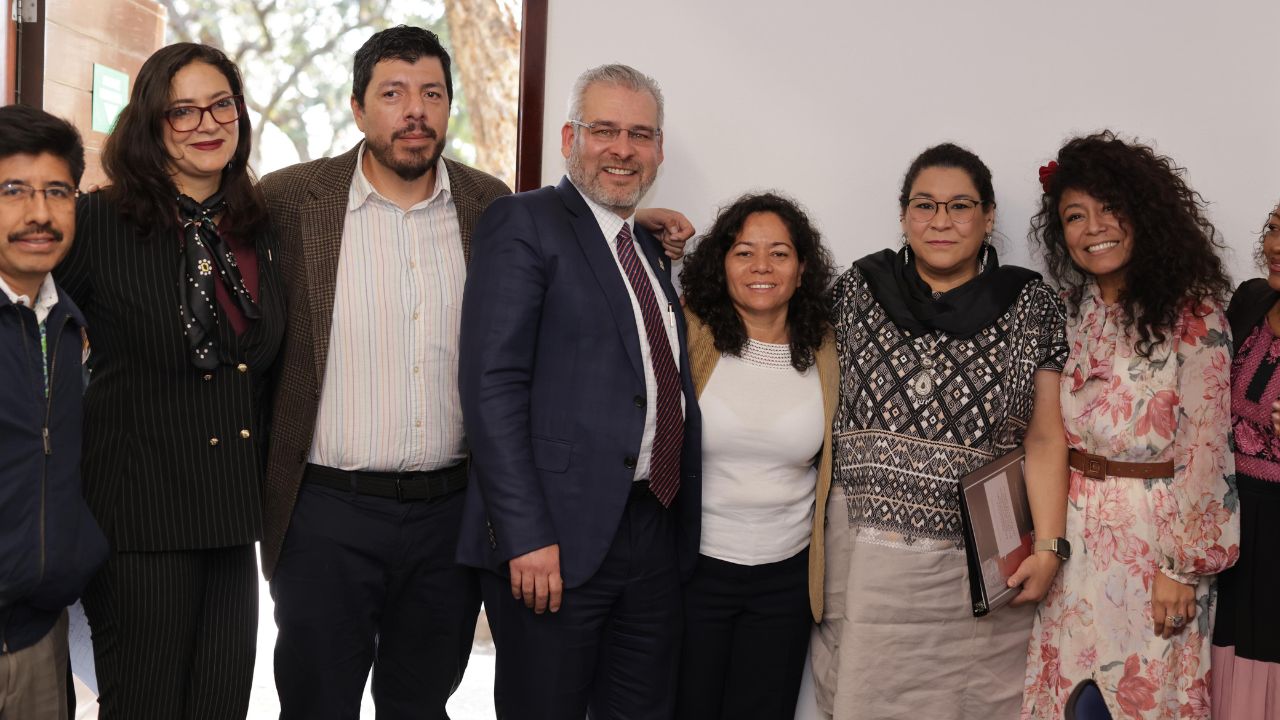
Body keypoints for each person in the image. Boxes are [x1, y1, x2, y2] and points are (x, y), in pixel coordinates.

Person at [260, 32, 691, 718]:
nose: (416, 111)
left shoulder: (486, 204)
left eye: (432, 94)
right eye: (393, 94)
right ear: (357, 108)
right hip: (326, 511)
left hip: (446, 514)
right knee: (316, 703)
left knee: (422, 701)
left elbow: (575, 235)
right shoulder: (288, 201)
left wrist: (636, 229)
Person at [457, 63, 701, 720]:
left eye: (641, 134)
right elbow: (491, 388)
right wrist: (526, 533)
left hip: (653, 528)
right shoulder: (522, 223)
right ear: (569, 136)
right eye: (605, 130)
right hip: (556, 539)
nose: (623, 148)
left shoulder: (643, 248)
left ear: (658, 150)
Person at [53, 42, 285, 719]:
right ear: (151, 122)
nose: (205, 123)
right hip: (135, 516)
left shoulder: (260, 226)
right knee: (145, 705)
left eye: (221, 105)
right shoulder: (96, 221)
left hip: (232, 517)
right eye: (181, 110)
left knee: (220, 706)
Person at [812, 143, 1070, 719]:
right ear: (904, 214)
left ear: (989, 215)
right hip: (864, 561)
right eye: (925, 205)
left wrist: (1051, 546)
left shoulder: (1032, 304)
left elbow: (1046, 437)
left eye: (959, 206)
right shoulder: (858, 290)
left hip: (976, 568)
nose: (941, 221)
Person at [1022, 131, 1238, 720]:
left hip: (1156, 542)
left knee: (1146, 703)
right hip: (1073, 535)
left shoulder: (1193, 310)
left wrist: (1180, 568)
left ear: (1142, 213)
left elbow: (1207, 445)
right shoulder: (1068, 310)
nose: (1094, 227)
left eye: (1110, 208)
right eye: (1075, 216)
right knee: (1070, 701)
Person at [673, 192, 836, 720]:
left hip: (784, 583)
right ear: (721, 263)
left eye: (779, 253)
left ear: (802, 266)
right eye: (744, 252)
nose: (761, 267)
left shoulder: (826, 350)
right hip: (691, 574)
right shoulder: (687, 333)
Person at [0, 104, 107, 720]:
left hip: (41, 639)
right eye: (13, 190)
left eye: (57, 191)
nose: (39, 213)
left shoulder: (67, 324)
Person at [1210, 199, 1280, 720]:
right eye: (1276, 229)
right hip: (1232, 517)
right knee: (1225, 653)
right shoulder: (1251, 298)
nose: (1275, 246)